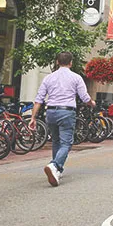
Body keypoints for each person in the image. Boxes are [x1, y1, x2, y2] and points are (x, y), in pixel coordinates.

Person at [29, 51, 95, 187]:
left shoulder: (48, 78)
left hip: (51, 112)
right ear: (71, 63)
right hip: (66, 112)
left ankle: (57, 170)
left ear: (57, 62)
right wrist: (92, 103)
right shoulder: (76, 77)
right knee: (66, 143)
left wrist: (33, 117)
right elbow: (84, 97)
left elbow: (39, 99)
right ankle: (54, 165)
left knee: (56, 141)